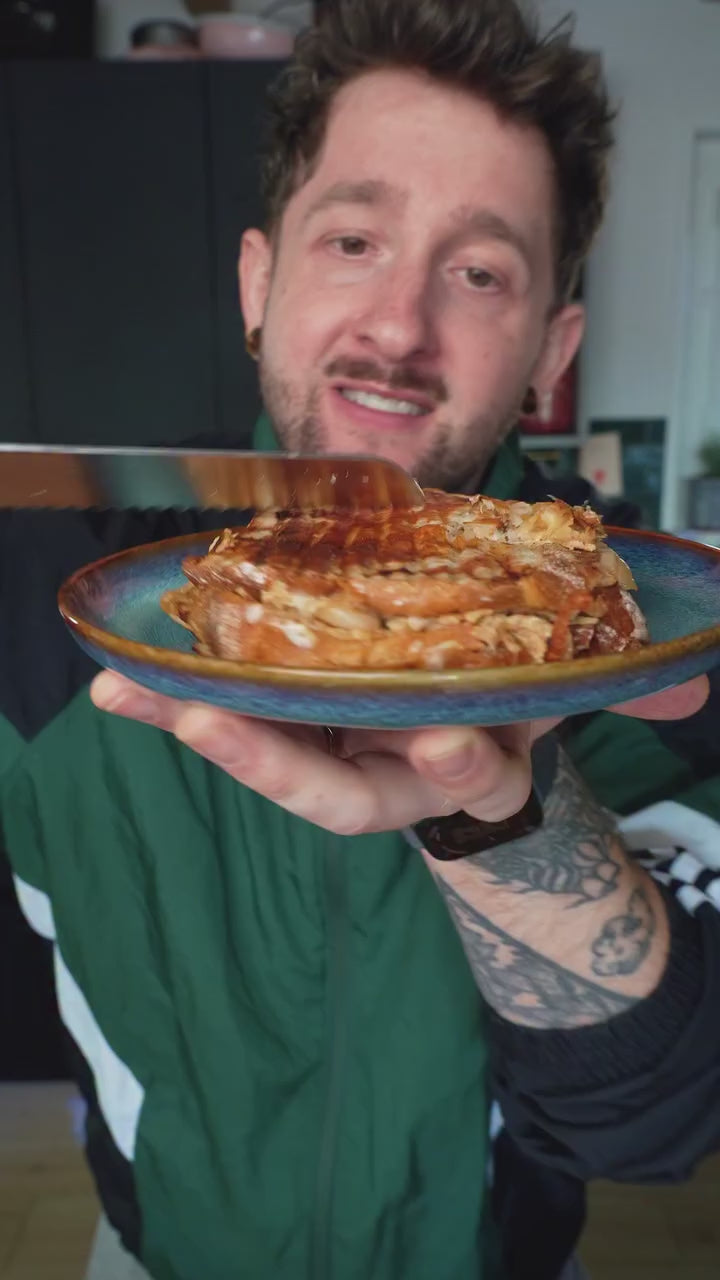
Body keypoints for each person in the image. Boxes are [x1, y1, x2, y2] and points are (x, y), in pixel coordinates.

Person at [2, 3, 720, 1279]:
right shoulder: (59, 588)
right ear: (258, 283)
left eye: (481, 271)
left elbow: (654, 1124)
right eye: (353, 239)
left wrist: (507, 818)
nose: (398, 325)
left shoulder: (641, 632)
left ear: (552, 349)